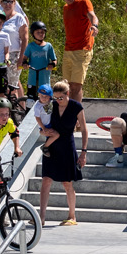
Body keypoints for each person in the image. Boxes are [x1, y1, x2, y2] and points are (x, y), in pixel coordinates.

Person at [38, 82, 84, 224]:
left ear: (67, 94)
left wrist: (84, 152)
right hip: (51, 145)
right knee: (46, 180)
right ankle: (41, 217)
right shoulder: (52, 105)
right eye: (56, 98)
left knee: (67, 182)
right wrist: (43, 131)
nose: (58, 101)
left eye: (61, 98)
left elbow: (85, 129)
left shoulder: (76, 107)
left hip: (67, 146)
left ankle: (72, 216)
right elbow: (43, 125)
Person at [57, 0, 97, 95]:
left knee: (76, 85)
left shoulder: (83, 2)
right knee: (66, 86)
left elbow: (92, 16)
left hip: (83, 49)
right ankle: (68, 111)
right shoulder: (65, 8)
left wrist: (94, 25)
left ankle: (76, 112)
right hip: (68, 50)